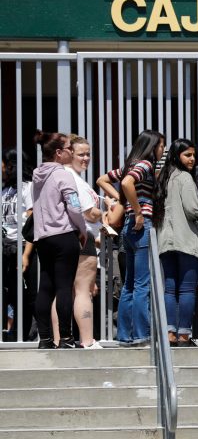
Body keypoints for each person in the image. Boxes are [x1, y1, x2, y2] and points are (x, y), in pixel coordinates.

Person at [97, 130, 165, 346]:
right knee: (142, 284)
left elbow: (102, 180)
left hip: (128, 227)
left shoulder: (130, 164)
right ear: (152, 146)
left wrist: (122, 201)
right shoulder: (145, 165)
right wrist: (136, 210)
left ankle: (125, 335)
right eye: (161, 145)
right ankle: (141, 335)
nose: (163, 150)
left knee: (129, 285)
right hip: (141, 224)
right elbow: (126, 183)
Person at [154, 139, 198, 347]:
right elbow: (192, 209)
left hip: (166, 242)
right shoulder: (185, 178)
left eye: (193, 155)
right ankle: (184, 335)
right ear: (177, 155)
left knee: (170, 289)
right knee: (187, 289)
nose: (192, 159)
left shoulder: (163, 177)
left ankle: (170, 333)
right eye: (188, 155)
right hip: (186, 240)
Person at [32, 131, 87, 349]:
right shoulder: (63, 175)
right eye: (68, 149)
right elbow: (73, 206)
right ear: (58, 153)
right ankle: (65, 338)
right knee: (64, 287)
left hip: (43, 238)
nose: (71, 152)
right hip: (64, 235)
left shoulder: (37, 175)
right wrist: (82, 229)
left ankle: (45, 339)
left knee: (45, 286)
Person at [54, 136, 102, 348]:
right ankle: (87, 341)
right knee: (83, 291)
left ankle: (58, 340)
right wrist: (107, 210)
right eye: (81, 154)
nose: (86, 158)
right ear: (69, 153)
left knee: (63, 291)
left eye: (88, 154)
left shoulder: (58, 176)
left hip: (61, 238)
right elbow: (89, 213)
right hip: (81, 237)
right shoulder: (73, 179)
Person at [1, 149, 36, 342]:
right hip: (5, 248)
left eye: (4, 163)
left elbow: (32, 223)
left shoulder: (27, 188)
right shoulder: (5, 190)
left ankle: (28, 333)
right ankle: (14, 333)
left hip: (22, 246)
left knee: (27, 294)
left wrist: (26, 254)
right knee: (11, 294)